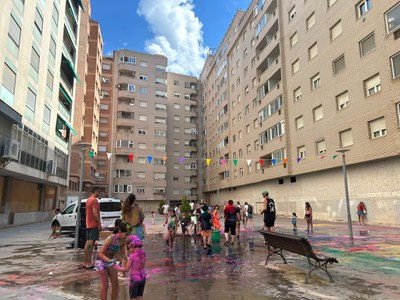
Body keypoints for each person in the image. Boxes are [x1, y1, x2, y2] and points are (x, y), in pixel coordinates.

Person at [96, 221, 130, 300]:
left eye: (129, 235)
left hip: (110, 262)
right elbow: (100, 253)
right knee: (105, 285)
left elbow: (122, 254)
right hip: (100, 261)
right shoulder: (110, 238)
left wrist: (130, 259)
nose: (127, 236)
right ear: (120, 231)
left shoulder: (123, 241)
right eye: (127, 234)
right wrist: (109, 260)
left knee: (115, 284)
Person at [115, 236, 146, 300]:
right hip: (143, 277)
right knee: (140, 296)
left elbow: (126, 269)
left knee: (133, 297)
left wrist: (117, 267)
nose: (128, 250)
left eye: (128, 248)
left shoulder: (132, 256)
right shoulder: (143, 253)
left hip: (135, 279)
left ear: (132, 245)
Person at [84, 188, 101, 269]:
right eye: (98, 192)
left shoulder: (88, 200)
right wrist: (99, 224)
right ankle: (89, 264)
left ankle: (86, 262)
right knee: (91, 244)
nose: (99, 194)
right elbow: (95, 213)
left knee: (87, 243)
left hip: (88, 224)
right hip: (93, 224)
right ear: (95, 191)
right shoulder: (94, 200)